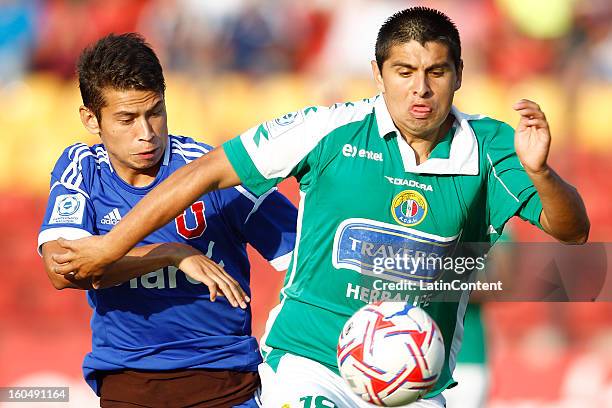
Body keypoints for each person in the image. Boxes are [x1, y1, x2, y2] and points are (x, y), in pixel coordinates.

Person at [51, 8, 590, 408]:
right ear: (379, 75)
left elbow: (574, 237)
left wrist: (541, 174)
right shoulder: (326, 129)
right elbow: (204, 172)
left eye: (436, 72)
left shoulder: (491, 146)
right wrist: (114, 249)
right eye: (404, 72)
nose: (420, 90)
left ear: (458, 76)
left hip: (419, 380)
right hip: (309, 366)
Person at [38, 33, 297, 408]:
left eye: (154, 112)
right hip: (128, 384)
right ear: (91, 119)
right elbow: (62, 271)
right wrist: (171, 254)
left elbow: (305, 252)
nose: (146, 134)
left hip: (223, 385)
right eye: (126, 119)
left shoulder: (210, 170)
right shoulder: (83, 169)